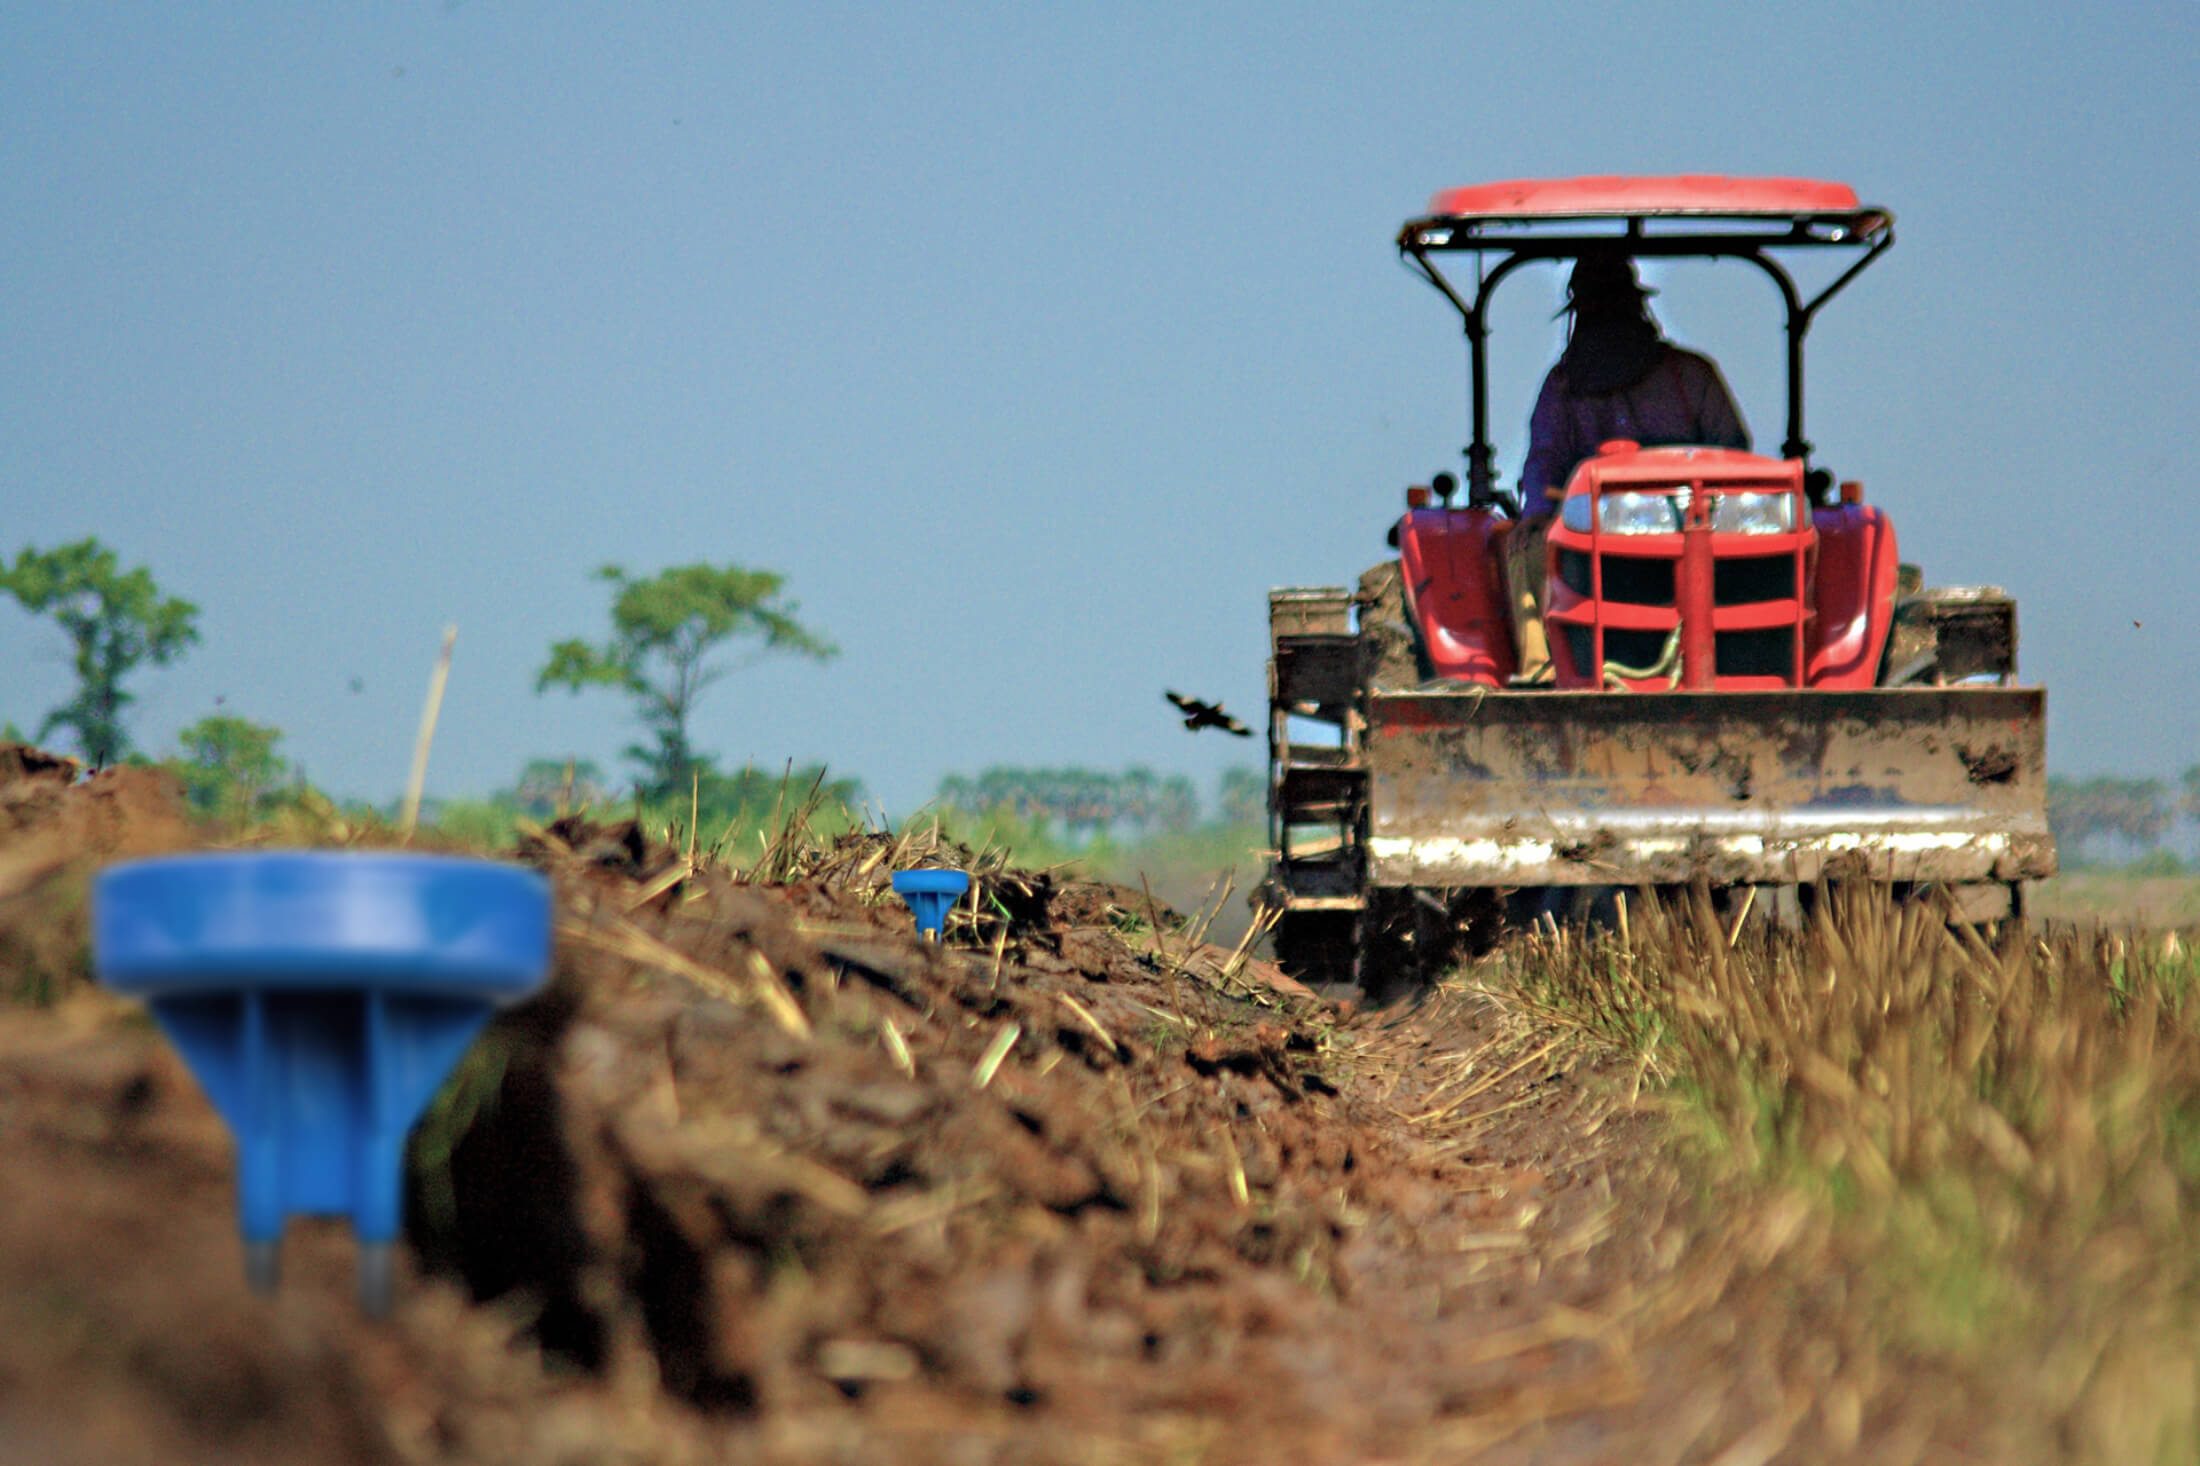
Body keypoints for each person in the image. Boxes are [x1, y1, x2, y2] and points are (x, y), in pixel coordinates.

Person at [1504, 252, 1750, 683]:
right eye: (1594, 309)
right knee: (1527, 545)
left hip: (1692, 525)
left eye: (1612, 305)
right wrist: (1539, 513)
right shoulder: (1563, 389)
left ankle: (1752, 656)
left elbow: (1733, 452)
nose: (1604, 319)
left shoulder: (1689, 377)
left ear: (1636, 308)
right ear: (1579, 316)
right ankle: (1544, 670)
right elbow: (1544, 461)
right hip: (1586, 532)